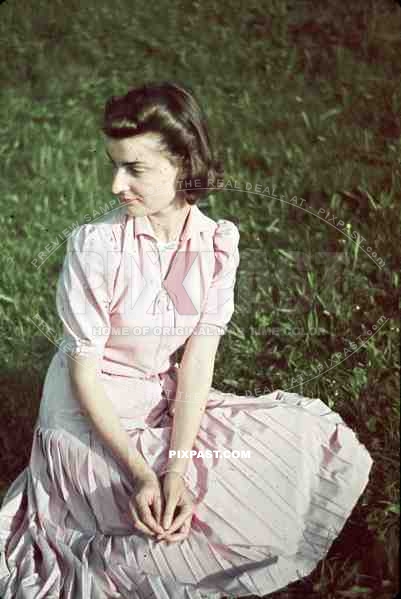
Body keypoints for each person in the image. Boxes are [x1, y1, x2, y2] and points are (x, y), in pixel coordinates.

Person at [0, 81, 373, 599]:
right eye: (113, 164)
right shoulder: (98, 246)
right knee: (156, 527)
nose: (115, 184)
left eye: (134, 168)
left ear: (182, 164)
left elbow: (197, 361)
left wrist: (176, 467)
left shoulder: (215, 243)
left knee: (288, 444)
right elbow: (84, 374)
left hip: (158, 397)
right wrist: (142, 474)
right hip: (86, 417)